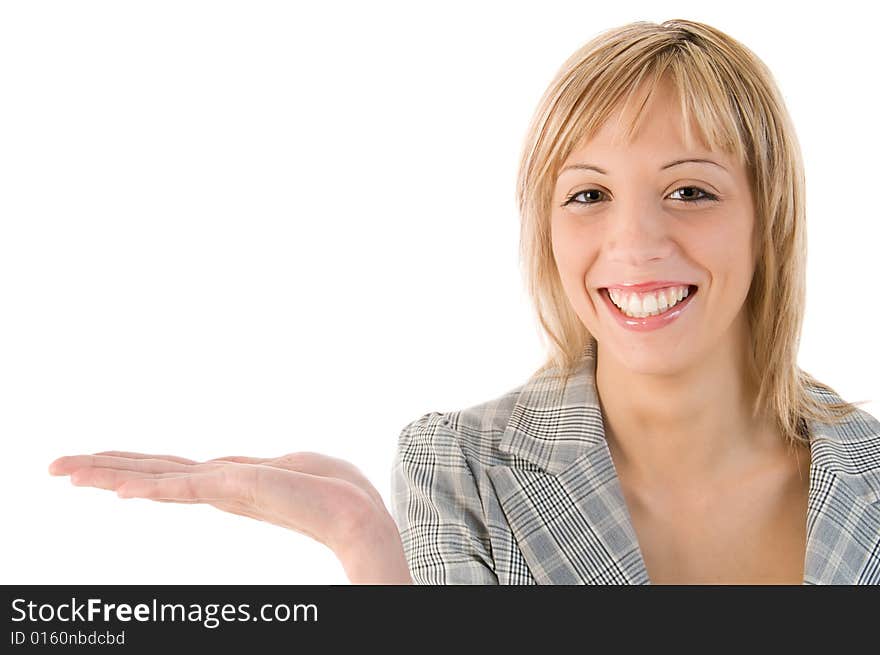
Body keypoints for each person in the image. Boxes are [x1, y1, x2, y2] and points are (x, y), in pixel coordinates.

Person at [48, 18, 880, 585]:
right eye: (587, 196)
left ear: (770, 219)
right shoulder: (459, 471)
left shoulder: (868, 478)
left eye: (690, 190)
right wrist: (369, 549)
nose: (635, 244)